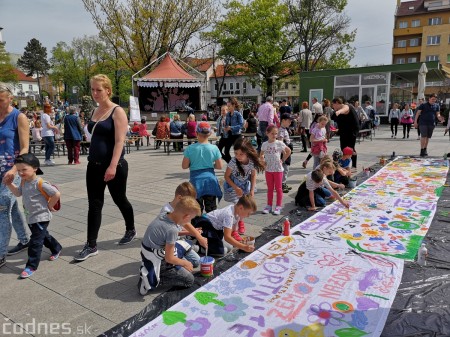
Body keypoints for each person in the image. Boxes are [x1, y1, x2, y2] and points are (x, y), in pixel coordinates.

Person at [74, 74, 135, 262]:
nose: (95, 93)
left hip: (114, 166)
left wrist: (113, 166)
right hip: (94, 166)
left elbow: (119, 142)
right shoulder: (95, 110)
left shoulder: (117, 111)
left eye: (98, 89)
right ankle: (91, 245)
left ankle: (130, 228)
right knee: (94, 204)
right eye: (92, 89)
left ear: (108, 90)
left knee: (119, 199)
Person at [5, 153, 62, 278]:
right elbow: (18, 193)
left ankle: (31, 266)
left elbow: (56, 194)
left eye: (24, 169)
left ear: (35, 168)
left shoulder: (40, 183)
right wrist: (9, 184)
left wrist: (49, 206)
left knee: (35, 242)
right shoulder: (24, 182)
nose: (20, 173)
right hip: (31, 217)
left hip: (41, 217)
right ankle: (56, 248)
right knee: (43, 235)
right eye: (18, 170)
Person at [138, 196, 201, 295]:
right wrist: (184, 263)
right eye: (191, 219)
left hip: (149, 250)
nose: (189, 223)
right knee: (189, 280)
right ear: (186, 217)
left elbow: (179, 228)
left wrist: (193, 234)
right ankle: (151, 279)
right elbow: (169, 258)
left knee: (194, 262)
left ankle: (161, 271)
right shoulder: (172, 230)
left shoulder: (166, 214)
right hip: (157, 257)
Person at [0, 83, 30, 268]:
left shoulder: (19, 117)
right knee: (10, 208)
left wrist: (14, 169)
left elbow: (25, 147)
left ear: (10, 98)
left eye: (0, 100)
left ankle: (1, 253)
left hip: (12, 171)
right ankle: (25, 239)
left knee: (2, 208)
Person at [223, 138, 265, 239]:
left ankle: (241, 221)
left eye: (241, 154)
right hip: (233, 186)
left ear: (247, 152)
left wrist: (252, 190)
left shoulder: (251, 162)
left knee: (244, 206)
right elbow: (226, 176)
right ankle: (234, 231)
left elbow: (253, 175)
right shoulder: (233, 162)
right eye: (236, 153)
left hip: (245, 186)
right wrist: (236, 187)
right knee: (237, 207)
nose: (238, 156)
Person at [160, 182, 208, 268]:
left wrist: (193, 233)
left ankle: (189, 248)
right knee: (187, 267)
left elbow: (185, 224)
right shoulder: (167, 212)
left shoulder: (180, 208)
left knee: (196, 262)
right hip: (170, 245)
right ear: (179, 198)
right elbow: (172, 232)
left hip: (179, 240)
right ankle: (189, 248)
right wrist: (193, 234)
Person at [191, 195, 256, 256]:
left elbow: (231, 232)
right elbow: (227, 237)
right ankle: (196, 247)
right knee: (222, 251)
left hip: (214, 228)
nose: (248, 216)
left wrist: (240, 243)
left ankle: (205, 242)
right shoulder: (229, 215)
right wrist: (243, 247)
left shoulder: (237, 211)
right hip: (204, 225)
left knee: (229, 247)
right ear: (241, 208)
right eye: (248, 213)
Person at [182, 121, 223, 213]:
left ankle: (197, 227)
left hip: (196, 182)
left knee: (196, 210)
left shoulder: (190, 148)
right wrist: (210, 165)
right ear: (210, 133)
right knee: (211, 210)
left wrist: (193, 164)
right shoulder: (214, 148)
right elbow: (220, 166)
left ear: (196, 133)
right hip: (210, 181)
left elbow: (184, 166)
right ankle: (211, 226)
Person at [260, 125, 291, 215]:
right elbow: (261, 154)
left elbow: (288, 151)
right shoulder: (265, 144)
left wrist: (283, 159)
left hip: (278, 169)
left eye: (276, 134)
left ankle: (278, 206)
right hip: (268, 169)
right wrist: (262, 160)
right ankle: (269, 205)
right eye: (272, 133)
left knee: (278, 188)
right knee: (270, 189)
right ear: (267, 133)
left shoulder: (279, 143)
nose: (274, 135)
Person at [331, 97, 360, 168]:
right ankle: (346, 163)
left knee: (350, 148)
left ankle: (353, 166)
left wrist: (339, 112)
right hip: (345, 131)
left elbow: (345, 109)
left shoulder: (346, 106)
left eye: (333, 104)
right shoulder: (337, 110)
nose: (332, 106)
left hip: (351, 131)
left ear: (337, 103)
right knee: (343, 147)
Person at [223, 97, 244, 163]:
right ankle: (232, 164)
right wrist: (225, 127)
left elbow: (241, 125)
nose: (228, 108)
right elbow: (226, 124)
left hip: (237, 135)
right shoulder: (228, 114)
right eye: (227, 106)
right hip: (230, 135)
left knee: (238, 152)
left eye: (229, 106)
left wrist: (231, 127)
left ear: (233, 106)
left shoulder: (238, 114)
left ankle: (239, 165)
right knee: (226, 151)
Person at [278, 113, 294, 193]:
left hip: (287, 151)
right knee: (285, 168)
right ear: (283, 120)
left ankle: (283, 183)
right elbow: (280, 141)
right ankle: (282, 184)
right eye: (289, 121)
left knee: (285, 168)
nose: (290, 123)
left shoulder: (284, 129)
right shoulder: (281, 130)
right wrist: (284, 151)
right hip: (284, 152)